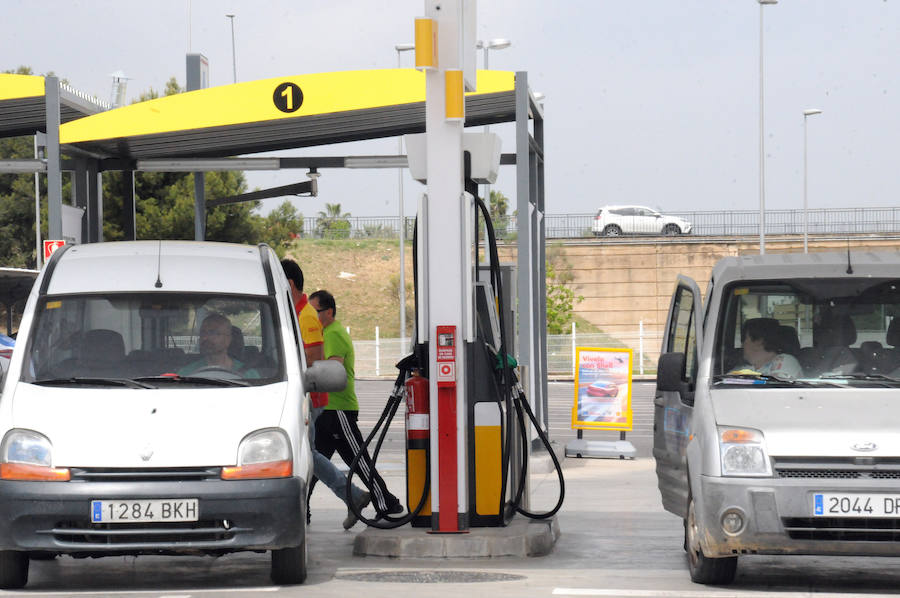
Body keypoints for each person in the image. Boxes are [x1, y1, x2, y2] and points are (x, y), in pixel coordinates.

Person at [281, 259, 370, 530]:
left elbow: (315, 359)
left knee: (307, 456)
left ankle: (354, 496)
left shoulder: (306, 316)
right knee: (310, 456)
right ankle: (352, 496)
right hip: (302, 398)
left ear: (290, 283)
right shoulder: (295, 312)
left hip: (312, 399)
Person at [309, 289, 404, 518]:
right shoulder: (325, 332)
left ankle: (387, 503)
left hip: (338, 409)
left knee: (358, 461)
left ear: (329, 312)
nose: (311, 318)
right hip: (325, 409)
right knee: (313, 464)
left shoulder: (333, 334)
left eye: (315, 312)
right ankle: (300, 508)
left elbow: (332, 370)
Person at [179, 313, 256, 377]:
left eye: (213, 333)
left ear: (228, 339)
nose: (205, 338)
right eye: (203, 333)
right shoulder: (186, 373)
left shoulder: (250, 374)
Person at [731, 317, 803, 379]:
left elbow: (775, 389)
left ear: (758, 341)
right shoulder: (746, 368)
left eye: (745, 339)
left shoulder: (785, 361)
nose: (742, 345)